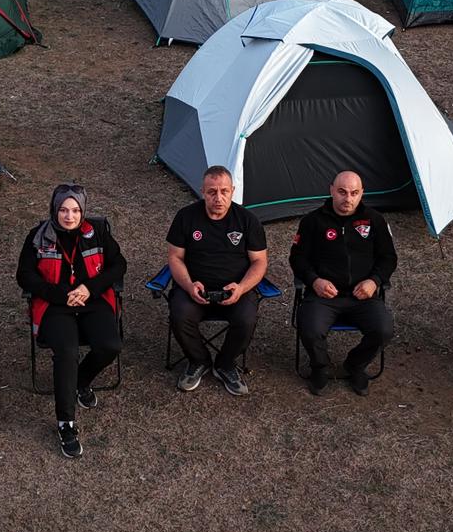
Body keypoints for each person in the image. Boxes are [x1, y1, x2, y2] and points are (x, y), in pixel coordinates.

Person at [18, 184, 126, 458]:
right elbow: (25, 276)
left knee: (111, 345)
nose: (69, 216)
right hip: (55, 306)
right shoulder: (37, 237)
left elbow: (118, 265)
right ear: (55, 210)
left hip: (92, 301)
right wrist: (60, 294)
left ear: (83, 211)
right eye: (64, 210)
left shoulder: (97, 232)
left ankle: (81, 381)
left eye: (75, 210)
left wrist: (90, 288)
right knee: (66, 352)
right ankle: (66, 423)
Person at [290, 171, 397, 396]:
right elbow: (297, 258)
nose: (347, 198)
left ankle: (355, 365)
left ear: (361, 194)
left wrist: (374, 281)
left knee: (384, 330)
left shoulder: (374, 220)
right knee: (309, 328)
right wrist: (314, 281)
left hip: (362, 296)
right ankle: (320, 366)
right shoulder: (312, 221)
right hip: (323, 296)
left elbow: (388, 258)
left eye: (354, 193)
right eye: (342, 192)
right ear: (331, 190)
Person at [165, 166, 269, 397]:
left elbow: (259, 262)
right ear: (202, 191)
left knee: (246, 319)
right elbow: (175, 257)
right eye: (212, 192)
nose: (218, 198)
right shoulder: (186, 217)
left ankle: (225, 364)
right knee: (180, 314)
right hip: (194, 288)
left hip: (235, 290)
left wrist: (241, 288)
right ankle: (198, 360)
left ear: (233, 190)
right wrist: (188, 284)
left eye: (224, 191)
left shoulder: (247, 220)